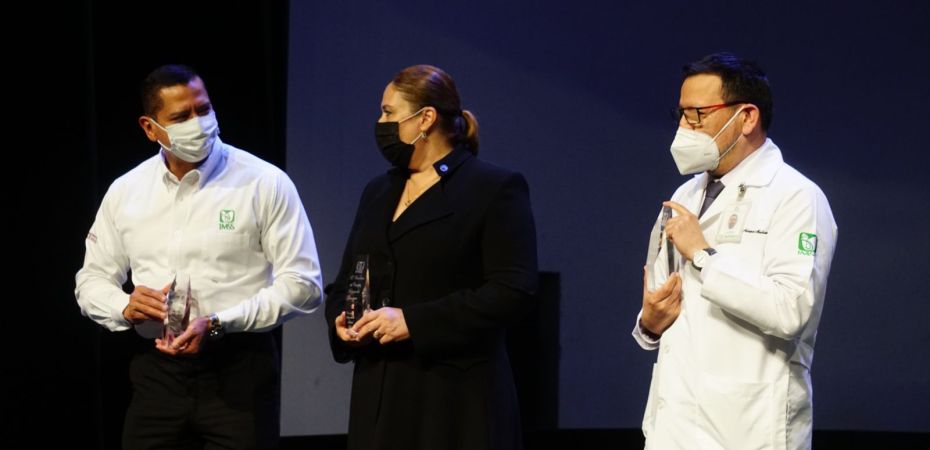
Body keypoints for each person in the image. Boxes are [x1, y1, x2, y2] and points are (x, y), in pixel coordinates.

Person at [75, 64, 323, 449]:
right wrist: (124, 307)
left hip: (239, 372)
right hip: (157, 375)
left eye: (203, 110)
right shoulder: (126, 191)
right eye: (181, 117)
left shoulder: (264, 182)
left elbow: (304, 285)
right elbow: (91, 280)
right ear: (150, 128)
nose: (199, 124)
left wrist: (220, 323)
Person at [324, 64, 538, 450]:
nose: (380, 123)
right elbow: (345, 281)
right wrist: (342, 319)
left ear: (425, 119)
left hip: (452, 400)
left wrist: (413, 321)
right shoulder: (377, 191)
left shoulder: (492, 188)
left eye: (388, 112)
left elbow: (512, 290)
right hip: (380, 395)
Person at [633, 53, 837, 450]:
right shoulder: (684, 195)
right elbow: (663, 298)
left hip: (749, 428)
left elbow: (791, 310)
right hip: (674, 425)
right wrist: (649, 324)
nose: (683, 127)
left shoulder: (796, 196)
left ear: (746, 117)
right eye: (680, 114)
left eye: (697, 115)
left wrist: (704, 256)